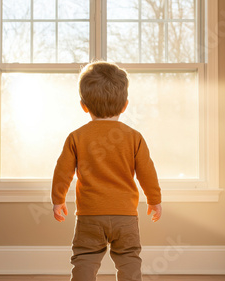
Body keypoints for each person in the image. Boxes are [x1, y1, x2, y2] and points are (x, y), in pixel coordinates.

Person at [51, 61, 162, 281]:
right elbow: (147, 172)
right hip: (125, 216)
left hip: (90, 215)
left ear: (84, 105)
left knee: (84, 258)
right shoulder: (134, 137)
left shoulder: (76, 137)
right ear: (125, 105)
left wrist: (58, 199)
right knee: (129, 259)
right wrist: (154, 200)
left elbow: (62, 172)